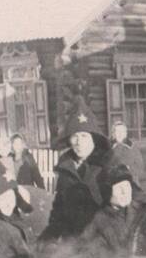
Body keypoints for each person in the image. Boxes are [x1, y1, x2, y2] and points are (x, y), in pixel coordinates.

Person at [39, 96, 110, 242]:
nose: (79, 142)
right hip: (72, 244)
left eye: (84, 136)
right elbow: (59, 208)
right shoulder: (66, 168)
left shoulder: (109, 164)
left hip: (103, 243)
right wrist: (49, 237)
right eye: (74, 136)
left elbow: (128, 206)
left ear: (93, 139)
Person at [78, 164, 143, 254]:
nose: (125, 192)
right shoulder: (99, 219)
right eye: (120, 188)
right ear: (107, 192)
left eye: (127, 186)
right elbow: (81, 248)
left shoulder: (141, 210)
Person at [107, 121, 146, 204]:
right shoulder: (108, 148)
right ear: (113, 134)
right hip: (112, 182)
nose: (120, 134)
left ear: (126, 133)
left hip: (130, 180)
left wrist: (129, 170)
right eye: (117, 132)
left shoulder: (132, 147)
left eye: (122, 131)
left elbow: (140, 167)